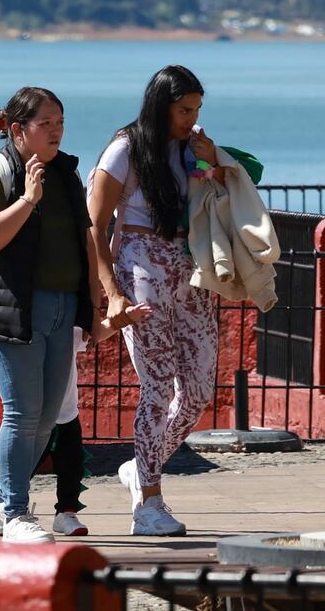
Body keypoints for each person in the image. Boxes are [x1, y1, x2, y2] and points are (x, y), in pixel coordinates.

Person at [86, 65, 221, 536]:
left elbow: (215, 199)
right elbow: (95, 224)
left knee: (200, 390)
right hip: (140, 264)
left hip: (191, 269)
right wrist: (113, 293)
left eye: (197, 109)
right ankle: (148, 503)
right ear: (163, 105)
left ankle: (140, 466)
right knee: (159, 387)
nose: (192, 118)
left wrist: (213, 162)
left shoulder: (194, 145)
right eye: (185, 109)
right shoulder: (126, 147)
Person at [0, 86, 96, 545]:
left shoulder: (66, 173)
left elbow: (84, 239)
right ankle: (17, 512)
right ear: (18, 130)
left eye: (61, 122)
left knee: (45, 417)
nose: (56, 131)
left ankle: (4, 501)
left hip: (60, 306)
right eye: (46, 124)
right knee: (21, 413)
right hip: (8, 310)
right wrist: (26, 201)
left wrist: (95, 306)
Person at [0, 303, 154, 538]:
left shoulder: (66, 332)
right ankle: (4, 503)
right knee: (26, 464)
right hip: (37, 418)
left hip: (66, 415)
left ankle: (67, 512)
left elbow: (98, 332)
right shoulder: (31, 336)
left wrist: (126, 317)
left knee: (72, 467)